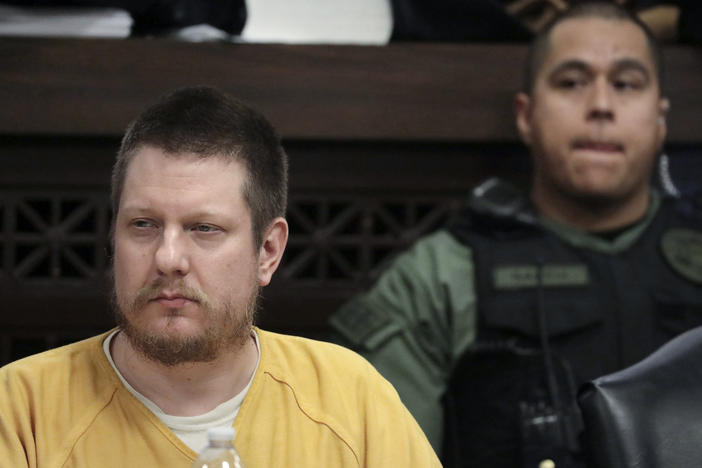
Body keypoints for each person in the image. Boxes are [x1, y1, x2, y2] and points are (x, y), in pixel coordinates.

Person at [329, 2, 702, 467]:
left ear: (661, 117)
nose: (601, 106)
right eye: (572, 82)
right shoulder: (440, 278)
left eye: (626, 84)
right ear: (525, 115)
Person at [0, 86, 440, 468]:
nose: (168, 258)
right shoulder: (21, 407)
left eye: (203, 229)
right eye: (143, 225)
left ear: (267, 251)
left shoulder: (349, 397)